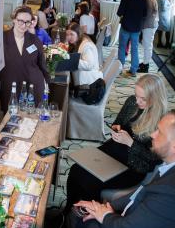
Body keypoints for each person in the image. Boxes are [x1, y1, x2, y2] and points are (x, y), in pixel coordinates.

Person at [68, 110, 175, 228]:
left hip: (132, 226)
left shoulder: (172, 194)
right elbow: (144, 190)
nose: (152, 135)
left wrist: (105, 215)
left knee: (80, 219)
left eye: (159, 132)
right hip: (148, 218)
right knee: (86, 209)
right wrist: (110, 206)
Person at [66, 73, 168, 211]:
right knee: (75, 170)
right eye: (136, 95)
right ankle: (68, 212)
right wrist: (116, 128)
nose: (137, 101)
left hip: (132, 166)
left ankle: (89, 216)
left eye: (143, 99)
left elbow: (155, 159)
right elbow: (117, 122)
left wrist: (130, 143)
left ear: (155, 98)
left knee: (88, 181)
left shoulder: (162, 121)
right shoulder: (132, 101)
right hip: (113, 150)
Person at [0, 6, 50, 113]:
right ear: (14, 20)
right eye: (20, 21)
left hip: (33, 86)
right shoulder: (1, 39)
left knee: (32, 118)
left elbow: (42, 64)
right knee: (11, 118)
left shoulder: (35, 40)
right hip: (11, 86)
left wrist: (47, 83)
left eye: (27, 22)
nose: (24, 25)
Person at [117, 0, 147, 77]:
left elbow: (119, 13)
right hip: (136, 28)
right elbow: (145, 14)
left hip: (125, 27)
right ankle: (133, 69)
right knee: (135, 49)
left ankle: (120, 68)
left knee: (122, 48)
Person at [65, 22, 102, 88]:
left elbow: (89, 65)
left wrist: (71, 60)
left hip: (89, 81)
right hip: (81, 75)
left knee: (62, 77)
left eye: (71, 34)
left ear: (78, 34)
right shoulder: (78, 41)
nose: (69, 37)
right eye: (67, 34)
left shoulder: (86, 45)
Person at [138, 0, 158, 73]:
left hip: (149, 25)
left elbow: (147, 15)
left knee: (147, 45)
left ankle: (146, 65)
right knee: (147, 44)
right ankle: (145, 62)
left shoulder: (149, 1)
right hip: (151, 24)